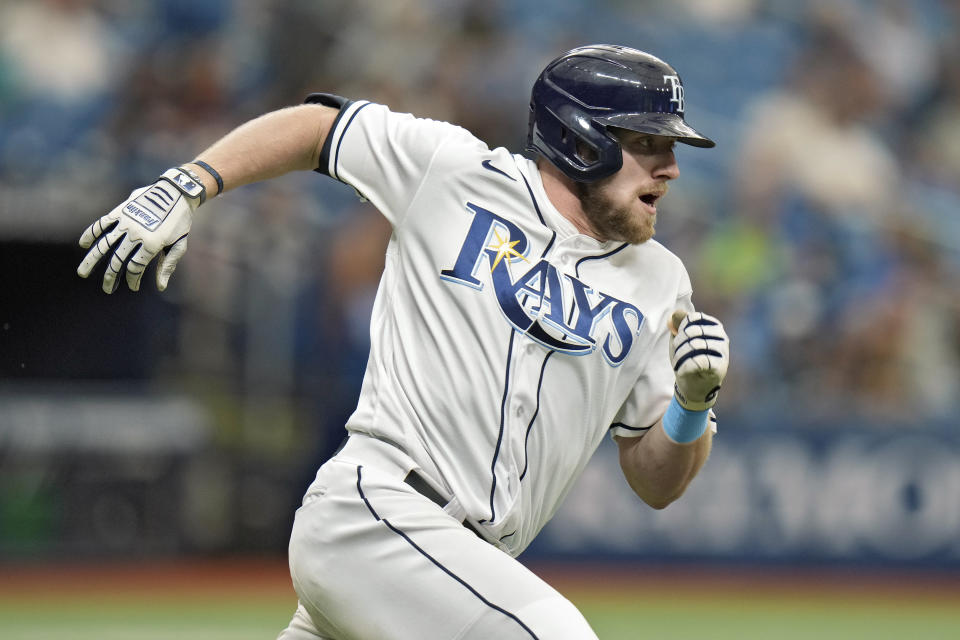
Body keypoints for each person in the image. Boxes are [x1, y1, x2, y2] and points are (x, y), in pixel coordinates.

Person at [77, 44, 730, 640]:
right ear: (585, 139)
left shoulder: (661, 281)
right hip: (377, 513)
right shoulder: (455, 172)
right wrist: (187, 184)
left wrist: (691, 404)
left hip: (452, 568)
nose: (671, 168)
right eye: (651, 142)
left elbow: (656, 483)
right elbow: (318, 126)